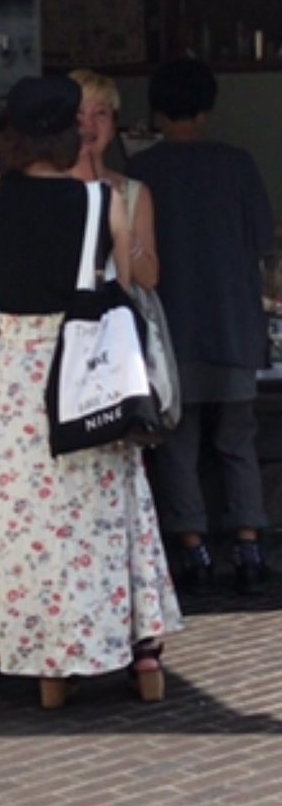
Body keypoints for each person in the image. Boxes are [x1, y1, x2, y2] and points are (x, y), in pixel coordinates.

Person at [0, 75, 182, 710]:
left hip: (19, 383)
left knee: (31, 521)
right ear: (69, 134)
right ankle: (139, 651)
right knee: (107, 517)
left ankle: (49, 664)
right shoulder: (98, 200)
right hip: (88, 378)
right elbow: (121, 283)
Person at [128, 58, 275, 595]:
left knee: (179, 444)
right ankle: (249, 546)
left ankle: (194, 550)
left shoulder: (143, 172)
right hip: (234, 326)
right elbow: (263, 243)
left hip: (173, 331)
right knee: (238, 441)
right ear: (208, 109)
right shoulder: (237, 165)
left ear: (157, 111)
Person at [69, 68, 159, 290]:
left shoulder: (133, 192)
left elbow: (149, 279)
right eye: (78, 114)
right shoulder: (46, 185)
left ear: (112, 127)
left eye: (100, 113)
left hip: (117, 309)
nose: (88, 123)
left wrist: (124, 234)